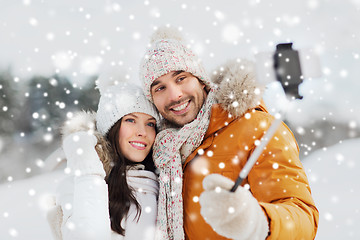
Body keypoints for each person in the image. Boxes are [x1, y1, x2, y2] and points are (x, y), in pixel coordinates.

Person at [139, 26, 319, 240]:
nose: (175, 95)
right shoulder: (161, 151)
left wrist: (257, 222)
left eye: (181, 78)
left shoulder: (258, 128)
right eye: (160, 88)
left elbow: (303, 218)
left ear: (201, 80)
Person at [47, 81, 160, 240]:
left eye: (150, 124)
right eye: (130, 120)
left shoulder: (163, 188)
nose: (143, 132)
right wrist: (88, 170)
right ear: (111, 127)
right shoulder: (77, 185)